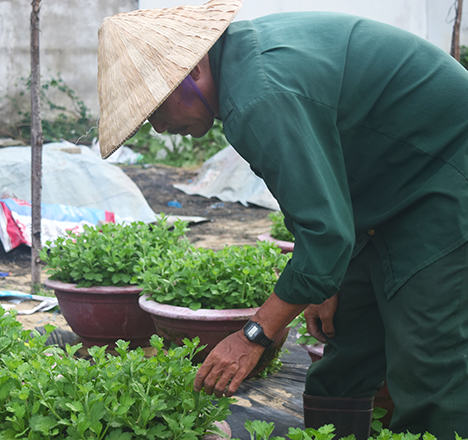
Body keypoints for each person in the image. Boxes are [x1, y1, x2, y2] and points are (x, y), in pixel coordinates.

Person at [96, 0, 468, 438]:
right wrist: (322, 281)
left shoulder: (259, 93)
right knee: (345, 353)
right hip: (383, 184)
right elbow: (309, 201)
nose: (158, 128)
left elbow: (325, 234)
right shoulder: (241, 71)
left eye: (156, 109)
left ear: (194, 71)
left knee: (425, 362)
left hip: (444, 173)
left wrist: (254, 335)